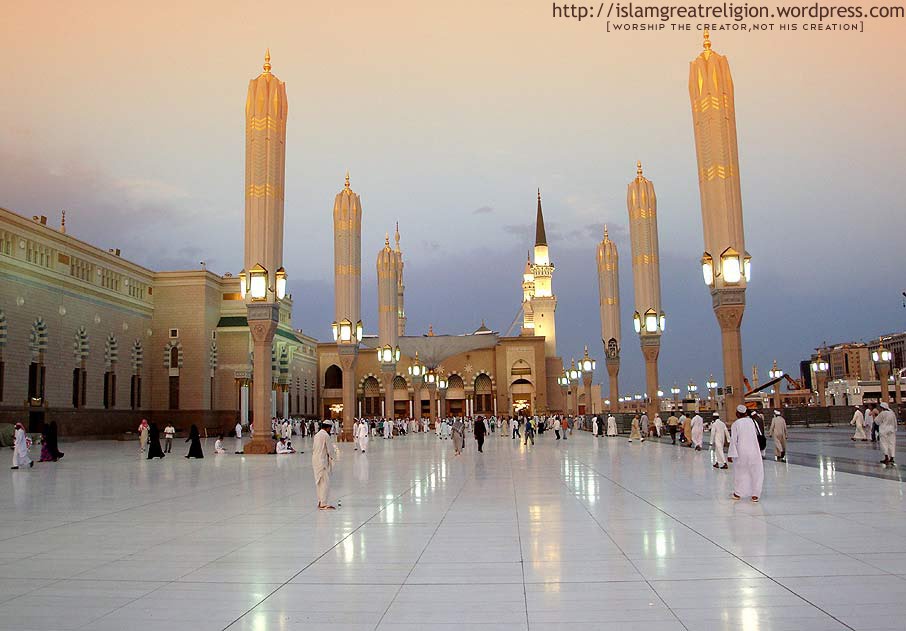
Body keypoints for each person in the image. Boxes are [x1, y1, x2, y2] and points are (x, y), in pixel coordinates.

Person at [728, 404, 764, 502]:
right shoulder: (752, 422)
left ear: (738, 413)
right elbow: (760, 435)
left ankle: (738, 493)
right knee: (756, 472)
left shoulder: (736, 424)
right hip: (754, 451)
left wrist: (731, 454)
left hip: (741, 451)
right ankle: (755, 494)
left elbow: (733, 440)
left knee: (740, 472)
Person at [312, 422, 337, 510]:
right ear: (328, 428)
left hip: (315, 460)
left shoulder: (317, 435)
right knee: (325, 482)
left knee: (319, 481)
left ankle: (320, 501)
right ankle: (323, 503)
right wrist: (334, 458)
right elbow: (330, 449)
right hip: (322, 461)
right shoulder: (326, 435)